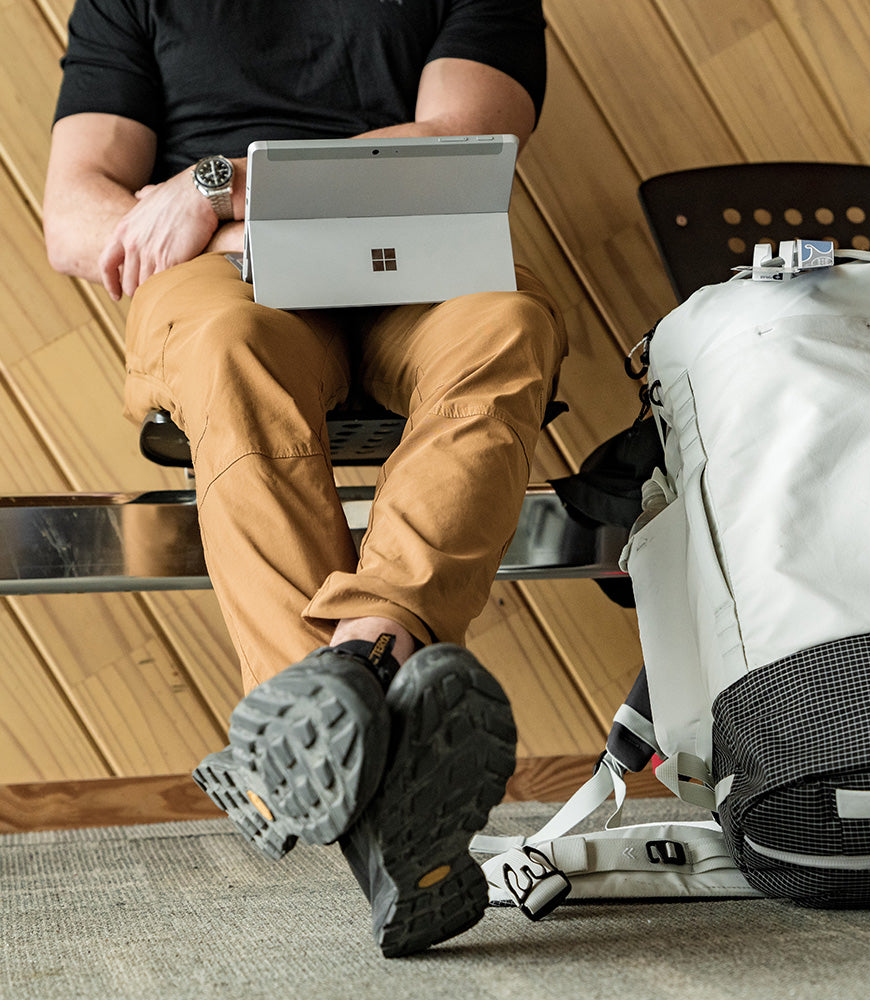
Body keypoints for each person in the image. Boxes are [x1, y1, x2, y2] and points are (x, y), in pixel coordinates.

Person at [43, 0, 567, 958]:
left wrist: (221, 184)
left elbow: (465, 135)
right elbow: (76, 215)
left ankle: (350, 671)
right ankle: (370, 709)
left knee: (509, 326)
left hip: (416, 261)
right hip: (229, 275)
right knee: (232, 348)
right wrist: (220, 230)